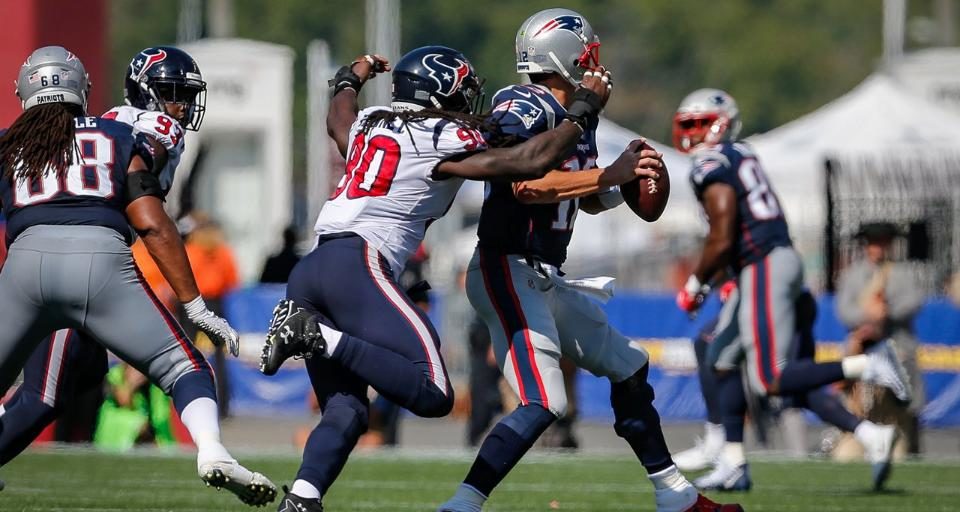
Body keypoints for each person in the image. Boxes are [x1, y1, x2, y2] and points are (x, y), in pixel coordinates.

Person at [258, 44, 650, 511]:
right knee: (434, 391)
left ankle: (302, 499)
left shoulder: (371, 121)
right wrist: (583, 109)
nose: (470, 103)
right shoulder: (442, 134)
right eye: (463, 93)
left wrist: (349, 78)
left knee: (346, 409)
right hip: (359, 265)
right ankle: (315, 335)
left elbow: (338, 119)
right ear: (438, 94)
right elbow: (526, 164)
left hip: (313, 268)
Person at [437, 9, 741, 512]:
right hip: (505, 268)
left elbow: (585, 194)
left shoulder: (581, 113)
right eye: (585, 52)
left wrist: (626, 180)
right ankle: (462, 505)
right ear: (561, 56)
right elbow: (526, 184)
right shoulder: (523, 104)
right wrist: (609, 175)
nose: (594, 61)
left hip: (546, 278)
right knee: (545, 402)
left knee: (629, 366)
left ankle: (676, 496)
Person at [0, 46, 276, 505]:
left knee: (46, 391)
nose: (181, 106)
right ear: (83, 89)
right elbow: (150, 219)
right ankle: (212, 449)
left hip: (26, 265)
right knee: (183, 366)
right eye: (172, 93)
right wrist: (197, 307)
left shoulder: (9, 140)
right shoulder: (119, 133)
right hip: (103, 262)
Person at [673, 88, 912, 491]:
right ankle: (731, 460)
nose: (694, 133)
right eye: (688, 125)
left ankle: (869, 365)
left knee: (772, 379)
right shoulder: (741, 154)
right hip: (765, 265)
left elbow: (723, 232)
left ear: (721, 122)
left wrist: (696, 283)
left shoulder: (712, 163)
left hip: (763, 265)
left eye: (700, 123)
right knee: (719, 355)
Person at [836, 222, 925, 456]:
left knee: (902, 410)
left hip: (896, 349)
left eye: (883, 242)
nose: (878, 248)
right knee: (856, 407)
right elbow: (844, 309)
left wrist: (888, 312)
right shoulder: (854, 275)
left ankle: (902, 444)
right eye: (874, 243)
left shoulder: (902, 273)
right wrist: (867, 316)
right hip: (863, 352)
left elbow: (915, 301)